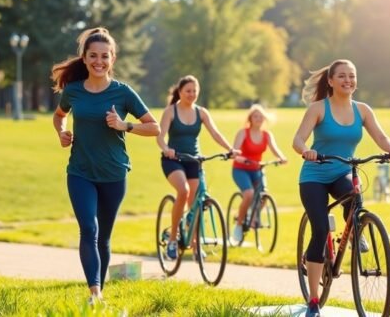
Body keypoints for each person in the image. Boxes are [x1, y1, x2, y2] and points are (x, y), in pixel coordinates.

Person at [51, 27, 160, 304]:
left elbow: (155, 128)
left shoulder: (123, 93)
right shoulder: (73, 91)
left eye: (104, 56)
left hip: (114, 173)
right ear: (85, 59)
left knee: (104, 237)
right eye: (93, 56)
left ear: (112, 59)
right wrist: (61, 132)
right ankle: (95, 293)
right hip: (80, 172)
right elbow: (59, 115)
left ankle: (99, 291)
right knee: (89, 228)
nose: (99, 61)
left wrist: (126, 125)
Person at [292, 59, 390, 317]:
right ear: (330, 81)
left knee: (355, 200)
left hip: (343, 170)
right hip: (314, 175)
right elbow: (298, 139)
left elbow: (380, 135)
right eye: (342, 76)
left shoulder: (362, 110)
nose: (348, 80)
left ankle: (354, 231)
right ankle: (313, 299)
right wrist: (306, 150)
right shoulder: (318, 108)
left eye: (352, 76)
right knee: (320, 229)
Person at [156, 74, 237, 260]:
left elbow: (215, 133)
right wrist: (166, 148)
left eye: (195, 91)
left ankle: (195, 244)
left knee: (195, 204)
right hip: (173, 159)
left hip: (194, 160)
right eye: (188, 91)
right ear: (180, 92)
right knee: (183, 191)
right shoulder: (170, 111)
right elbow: (160, 136)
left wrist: (230, 149)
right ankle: (173, 240)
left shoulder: (201, 112)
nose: (192, 94)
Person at [230, 104, 287, 242]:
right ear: (250, 118)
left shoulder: (266, 135)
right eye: (255, 116)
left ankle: (252, 215)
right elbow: (234, 152)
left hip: (257, 169)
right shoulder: (243, 133)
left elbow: (275, 148)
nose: (258, 119)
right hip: (241, 169)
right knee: (249, 194)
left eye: (261, 116)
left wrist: (281, 157)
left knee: (264, 196)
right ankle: (238, 225)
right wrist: (242, 159)